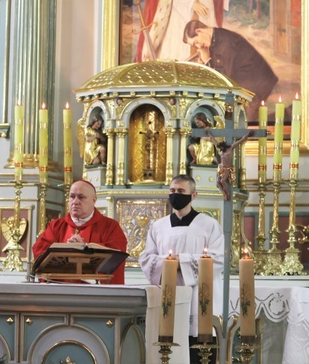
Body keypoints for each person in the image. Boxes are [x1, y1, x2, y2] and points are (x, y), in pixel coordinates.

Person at [139, 175, 225, 362]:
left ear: (193, 195)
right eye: (172, 191)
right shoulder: (158, 226)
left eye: (180, 191)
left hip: (200, 299)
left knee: (199, 353)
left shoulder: (209, 225)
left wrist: (181, 261)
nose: (175, 195)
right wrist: (170, 264)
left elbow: (218, 260)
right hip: (169, 298)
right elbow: (147, 259)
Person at [32, 179, 127, 284]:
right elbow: (40, 251)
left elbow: (116, 254)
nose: (75, 201)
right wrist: (64, 250)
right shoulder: (56, 226)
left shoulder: (110, 226)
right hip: (59, 290)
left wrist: (85, 248)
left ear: (94, 201)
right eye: (72, 197)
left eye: (81, 197)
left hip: (95, 294)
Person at [184, 19, 279, 119]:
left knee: (239, 121)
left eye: (196, 42)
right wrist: (206, 64)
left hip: (257, 83)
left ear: (199, 31)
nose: (199, 46)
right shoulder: (214, 39)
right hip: (243, 82)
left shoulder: (226, 44)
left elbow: (225, 80)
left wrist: (207, 60)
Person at [206, 129, 254, 200]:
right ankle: (223, 193)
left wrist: (247, 135)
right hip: (221, 167)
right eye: (219, 148)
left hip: (227, 168)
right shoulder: (220, 149)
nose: (220, 149)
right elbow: (213, 140)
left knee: (222, 181)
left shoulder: (230, 148)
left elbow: (241, 140)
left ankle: (227, 192)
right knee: (218, 181)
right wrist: (208, 133)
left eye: (221, 148)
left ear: (223, 146)